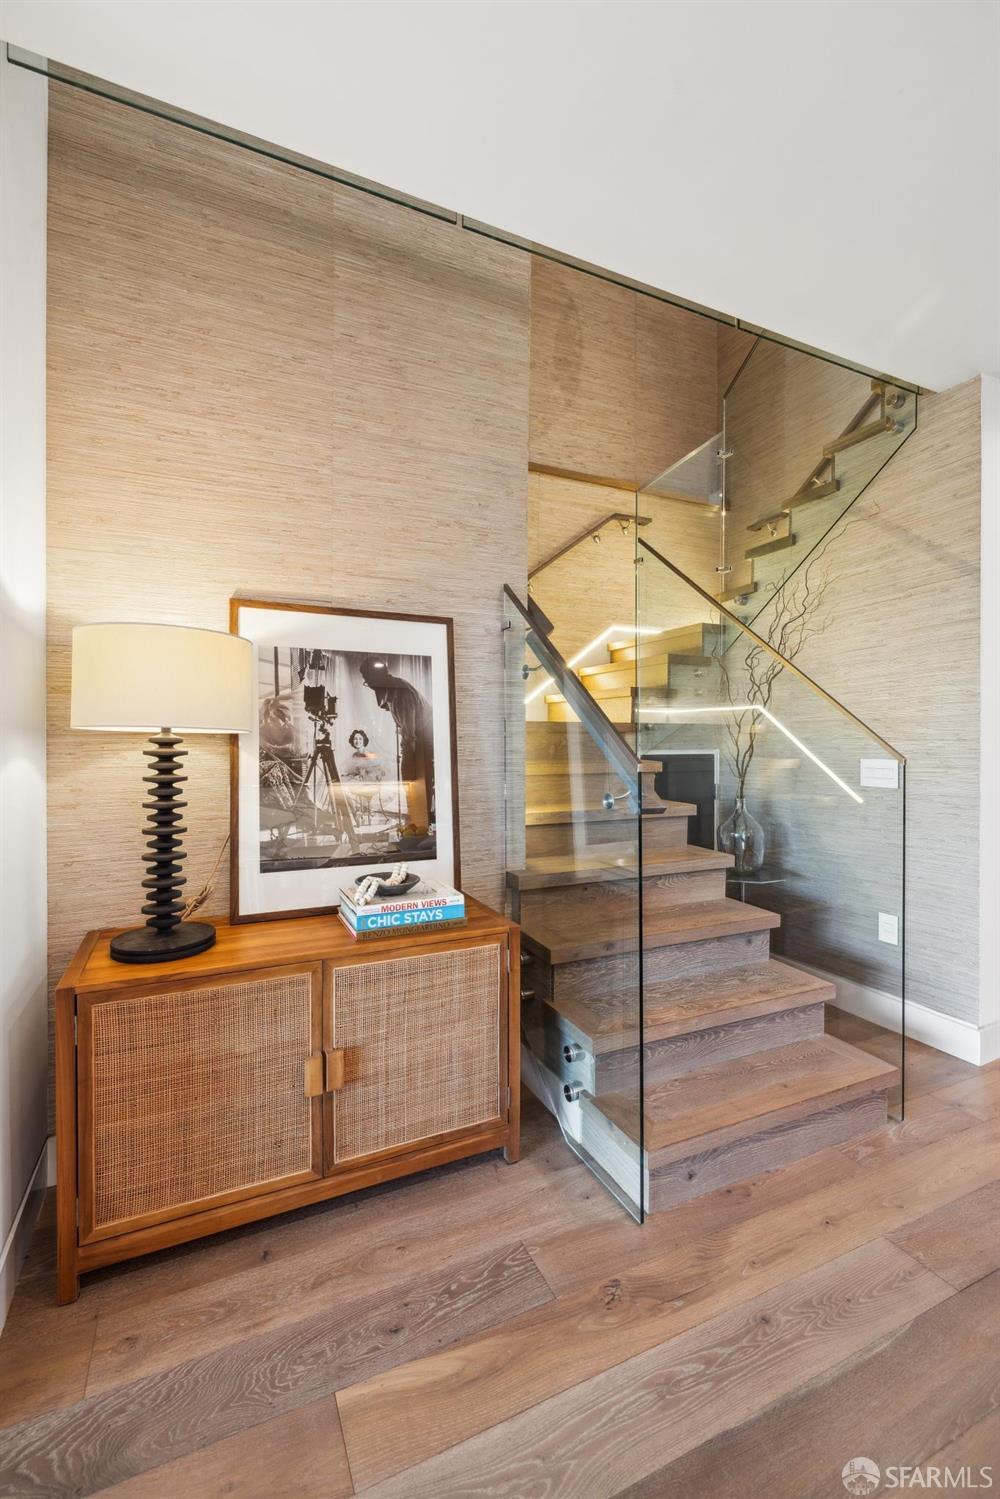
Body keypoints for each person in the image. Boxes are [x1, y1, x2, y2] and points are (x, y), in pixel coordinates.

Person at [358, 656, 434, 833]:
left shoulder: (400, 695)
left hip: (424, 737)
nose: (367, 684)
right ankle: (418, 822)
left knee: (416, 781)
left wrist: (407, 767)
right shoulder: (394, 691)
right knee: (413, 781)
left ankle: (420, 825)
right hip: (419, 735)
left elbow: (409, 737)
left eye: (367, 679)